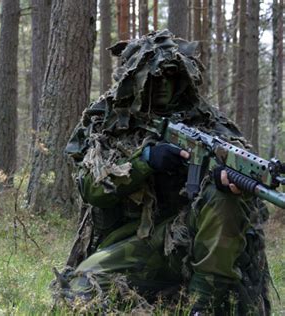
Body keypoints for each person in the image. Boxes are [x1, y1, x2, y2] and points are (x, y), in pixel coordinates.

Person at [53, 30, 271, 315]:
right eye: (156, 78)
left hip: (199, 239)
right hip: (139, 241)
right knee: (79, 290)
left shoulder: (206, 120)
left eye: (171, 77)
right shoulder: (108, 119)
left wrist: (221, 177)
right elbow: (92, 189)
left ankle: (203, 306)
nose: (165, 85)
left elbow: (238, 162)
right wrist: (145, 161)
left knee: (224, 196)